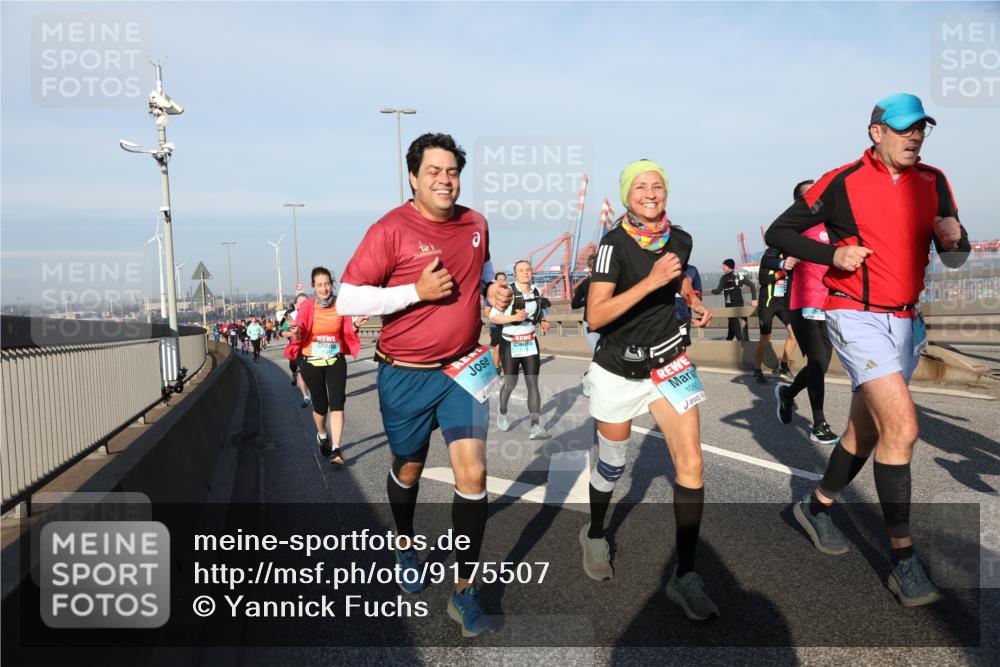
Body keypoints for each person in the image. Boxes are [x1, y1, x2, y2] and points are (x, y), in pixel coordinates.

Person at [765, 93, 970, 607]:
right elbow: (779, 232)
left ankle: (816, 507)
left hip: (905, 321)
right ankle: (903, 560)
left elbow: (957, 258)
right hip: (853, 314)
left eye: (921, 127)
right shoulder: (842, 181)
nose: (915, 136)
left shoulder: (935, 182)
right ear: (876, 132)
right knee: (903, 427)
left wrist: (956, 239)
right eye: (903, 128)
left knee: (866, 430)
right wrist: (832, 252)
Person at [337, 132, 513, 637]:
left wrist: (491, 287)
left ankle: (464, 591)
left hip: (462, 369)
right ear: (413, 177)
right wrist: (414, 291)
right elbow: (348, 299)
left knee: (473, 475)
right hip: (404, 375)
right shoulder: (390, 229)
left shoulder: (476, 223)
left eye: (452, 171)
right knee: (409, 466)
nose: (444, 179)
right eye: (433, 171)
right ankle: (407, 542)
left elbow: (481, 270)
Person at [580, 159, 716, 620]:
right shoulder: (612, 245)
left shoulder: (681, 238)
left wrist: (692, 299)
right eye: (641, 187)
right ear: (627, 196)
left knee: (692, 464)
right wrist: (653, 281)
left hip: (670, 362)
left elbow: (680, 275)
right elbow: (596, 317)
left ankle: (686, 575)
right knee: (613, 465)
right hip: (619, 368)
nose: (651, 193)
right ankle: (595, 532)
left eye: (657, 185)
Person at [774, 180, 839, 445]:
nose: (819, 197)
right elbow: (771, 257)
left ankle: (788, 395)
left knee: (821, 365)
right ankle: (819, 424)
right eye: (811, 194)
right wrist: (783, 261)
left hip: (832, 304)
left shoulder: (834, 226)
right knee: (815, 361)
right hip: (803, 304)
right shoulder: (793, 227)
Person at [284, 267, 364, 465]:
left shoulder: (340, 305)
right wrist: (294, 331)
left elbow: (346, 331)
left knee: (337, 403)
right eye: (319, 285)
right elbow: (300, 333)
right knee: (320, 406)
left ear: (332, 284)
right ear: (313, 286)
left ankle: (337, 449)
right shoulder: (308, 307)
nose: (324, 288)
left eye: (327, 284)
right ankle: (321, 434)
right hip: (311, 362)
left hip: (335, 360)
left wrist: (356, 325)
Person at [490, 260, 552, 439]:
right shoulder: (507, 293)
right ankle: (502, 412)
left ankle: (535, 426)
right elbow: (494, 317)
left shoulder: (537, 291)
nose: (526, 273)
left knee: (532, 383)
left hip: (530, 342)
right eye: (521, 270)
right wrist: (513, 317)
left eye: (528, 270)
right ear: (515, 274)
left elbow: (539, 311)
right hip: (510, 343)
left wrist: (543, 321)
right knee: (511, 383)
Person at [752, 248, 798, 383]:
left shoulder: (790, 258)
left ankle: (784, 365)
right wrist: (780, 273)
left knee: (794, 333)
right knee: (766, 337)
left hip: (782, 303)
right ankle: (757, 369)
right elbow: (762, 279)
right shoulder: (768, 259)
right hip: (767, 302)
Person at [711, 259, 756, 341]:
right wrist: (754, 299)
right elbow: (752, 285)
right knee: (732, 323)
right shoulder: (739, 275)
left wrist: (712, 290)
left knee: (734, 323)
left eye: (724, 266)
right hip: (740, 303)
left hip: (730, 304)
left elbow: (718, 291)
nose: (722, 267)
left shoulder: (724, 277)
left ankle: (741, 343)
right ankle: (729, 339)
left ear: (729, 266)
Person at [281, 293, 312, 408]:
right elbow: (282, 332)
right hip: (297, 349)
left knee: (314, 373)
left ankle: (318, 395)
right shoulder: (291, 316)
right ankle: (306, 397)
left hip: (312, 347)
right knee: (302, 372)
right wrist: (292, 333)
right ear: (295, 305)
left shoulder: (314, 314)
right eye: (301, 302)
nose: (303, 304)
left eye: (306, 302)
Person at [484, 271, 508, 373]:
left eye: (504, 279)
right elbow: (486, 311)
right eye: (500, 279)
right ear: (496, 281)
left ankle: (508, 367)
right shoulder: (491, 294)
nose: (502, 281)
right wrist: (494, 319)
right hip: (496, 326)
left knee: (507, 348)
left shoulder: (510, 293)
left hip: (508, 324)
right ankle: (497, 368)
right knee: (497, 348)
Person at [675, 265, 703, 347]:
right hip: (664, 316)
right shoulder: (661, 266)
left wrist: (694, 299)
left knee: (682, 347)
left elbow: (698, 292)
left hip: (684, 315)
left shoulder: (692, 270)